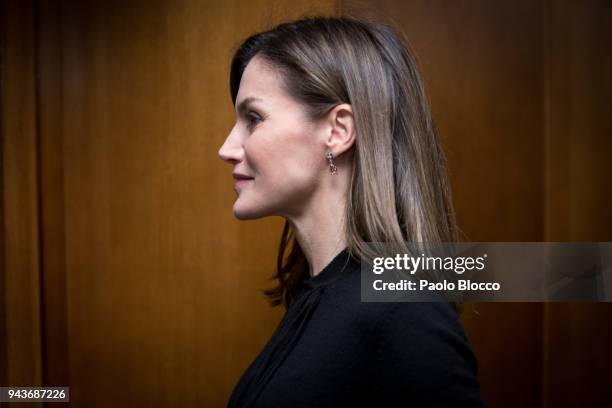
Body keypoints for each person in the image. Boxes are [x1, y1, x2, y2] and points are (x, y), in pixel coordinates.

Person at [218, 15, 484, 407]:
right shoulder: (318, 296)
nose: (227, 148)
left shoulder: (402, 311)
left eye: (253, 118)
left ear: (338, 130)